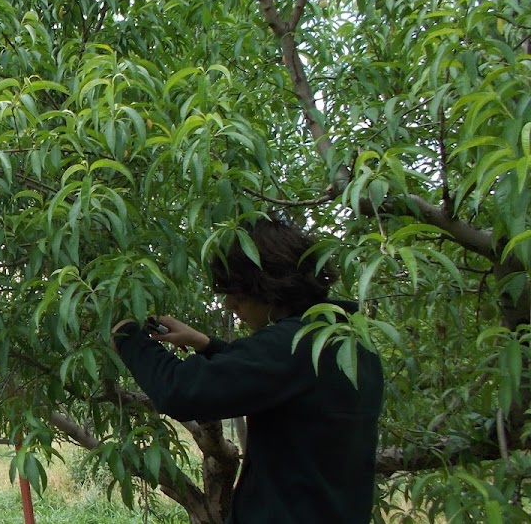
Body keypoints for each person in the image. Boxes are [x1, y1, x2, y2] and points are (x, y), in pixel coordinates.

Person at [112, 217, 384, 523]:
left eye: (236, 292)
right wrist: (206, 344)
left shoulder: (292, 345)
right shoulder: (345, 339)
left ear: (268, 287)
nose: (228, 304)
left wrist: (126, 335)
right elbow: (280, 382)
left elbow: (179, 390)